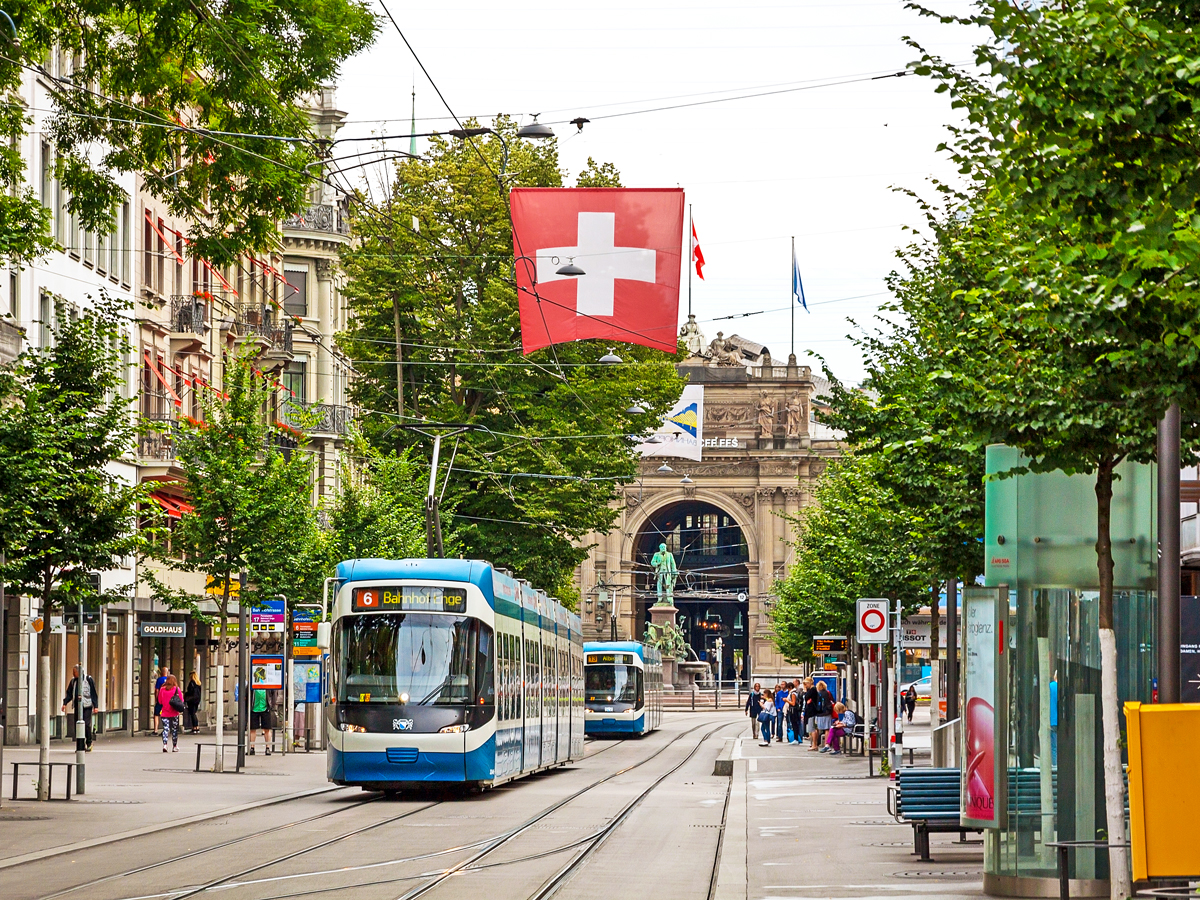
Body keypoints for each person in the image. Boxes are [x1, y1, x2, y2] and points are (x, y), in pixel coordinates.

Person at [61, 665, 98, 751]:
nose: (73, 674)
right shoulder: (73, 681)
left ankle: (89, 742)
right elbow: (69, 693)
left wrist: (96, 706)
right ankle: (80, 746)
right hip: (77, 706)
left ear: (79, 672)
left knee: (86, 725)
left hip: (87, 706)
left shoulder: (88, 679)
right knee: (77, 726)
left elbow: (93, 693)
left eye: (75, 672)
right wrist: (65, 703)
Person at [157, 674, 183, 752]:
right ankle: (174, 746)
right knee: (174, 729)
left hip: (164, 713)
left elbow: (160, 701)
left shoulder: (162, 689)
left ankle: (165, 745)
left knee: (165, 729)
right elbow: (181, 700)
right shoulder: (176, 689)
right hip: (174, 713)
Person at [249, 687, 274, 755]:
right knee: (252, 729)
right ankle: (252, 747)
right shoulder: (252, 684)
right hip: (254, 708)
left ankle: (268, 748)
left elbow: (272, 694)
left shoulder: (267, 685)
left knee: (267, 729)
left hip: (265, 708)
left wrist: (271, 705)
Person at [813, 680, 834, 749]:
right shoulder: (828, 693)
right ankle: (826, 744)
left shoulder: (817, 694)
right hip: (827, 713)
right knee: (827, 729)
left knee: (816, 729)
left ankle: (815, 744)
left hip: (819, 713)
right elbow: (832, 701)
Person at [802, 677, 820, 750]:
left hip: (811, 711)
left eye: (806, 684)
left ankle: (814, 744)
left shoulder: (812, 690)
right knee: (813, 728)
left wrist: (806, 691)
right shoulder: (814, 690)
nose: (805, 686)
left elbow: (806, 697)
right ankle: (814, 744)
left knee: (812, 729)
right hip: (813, 711)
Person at [153, 666, 170, 734]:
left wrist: (156, 698)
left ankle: (155, 730)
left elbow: (157, 690)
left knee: (156, 714)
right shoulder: (170, 680)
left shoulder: (159, 680)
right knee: (166, 715)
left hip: (160, 700)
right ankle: (165, 729)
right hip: (167, 700)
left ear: (161, 672)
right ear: (167, 672)